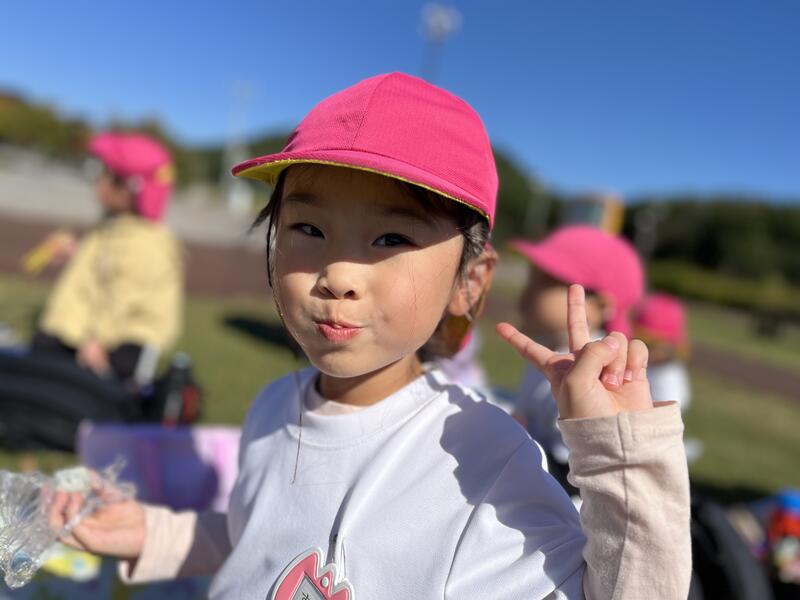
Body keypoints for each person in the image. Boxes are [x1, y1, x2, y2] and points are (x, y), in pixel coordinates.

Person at [49, 73, 690, 598]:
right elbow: (258, 538)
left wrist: (622, 457)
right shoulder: (273, 407)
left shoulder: (482, 458)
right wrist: (149, 533)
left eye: (390, 238)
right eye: (308, 229)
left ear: (469, 280)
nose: (338, 276)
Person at [31, 133, 184, 386]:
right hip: (73, 331)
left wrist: (98, 340)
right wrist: (75, 252)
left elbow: (125, 294)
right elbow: (106, 268)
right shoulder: (116, 226)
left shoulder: (145, 242)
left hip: (107, 350)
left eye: (104, 175)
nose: (97, 182)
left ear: (129, 188)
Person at [510, 226, 645, 491]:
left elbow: (577, 465)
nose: (529, 291)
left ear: (599, 305)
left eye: (545, 281)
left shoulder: (597, 370)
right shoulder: (547, 347)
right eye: (531, 277)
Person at [633, 292, 692, 411]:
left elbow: (665, 414)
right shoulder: (652, 366)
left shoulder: (668, 380)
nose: (644, 351)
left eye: (650, 345)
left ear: (670, 346)